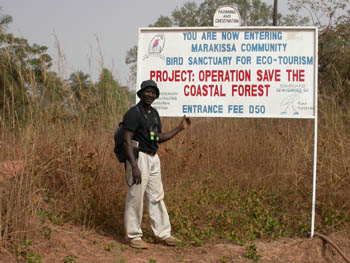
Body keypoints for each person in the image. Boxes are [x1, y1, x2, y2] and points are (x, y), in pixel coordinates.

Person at [122, 79, 191, 249]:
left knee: (156, 196)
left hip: (153, 158)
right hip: (139, 158)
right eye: (147, 91)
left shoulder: (153, 114)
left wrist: (180, 128)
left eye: (153, 92)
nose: (150, 95)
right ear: (141, 93)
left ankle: (163, 233)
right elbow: (126, 141)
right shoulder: (133, 113)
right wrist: (134, 166)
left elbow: (157, 137)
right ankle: (133, 235)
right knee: (135, 196)